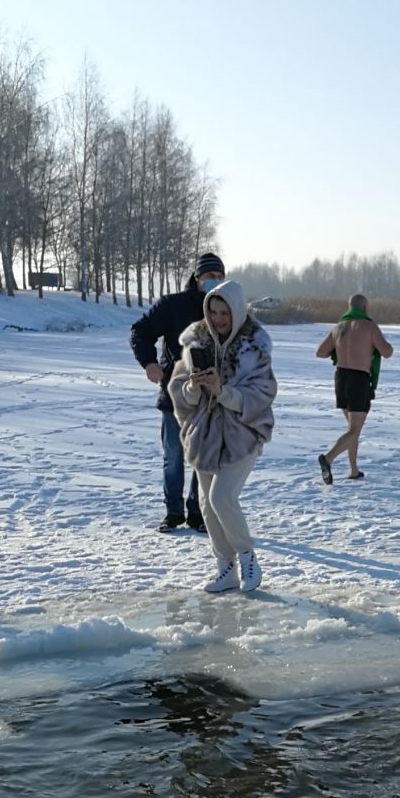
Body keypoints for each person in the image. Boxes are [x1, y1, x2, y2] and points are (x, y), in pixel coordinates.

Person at [168, 280, 276, 593]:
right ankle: (225, 568)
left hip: (243, 433)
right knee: (205, 502)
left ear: (238, 310)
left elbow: (263, 393)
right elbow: (178, 390)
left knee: (222, 497)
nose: (217, 319)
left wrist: (223, 392)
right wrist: (193, 387)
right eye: (213, 312)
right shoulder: (196, 340)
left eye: (224, 313)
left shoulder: (254, 345)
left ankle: (247, 556)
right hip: (204, 434)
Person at [129, 252, 227, 533]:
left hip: (209, 399)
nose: (215, 281)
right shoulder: (173, 305)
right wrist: (149, 363)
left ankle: (197, 512)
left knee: (202, 458)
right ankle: (173, 512)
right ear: (197, 277)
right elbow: (140, 331)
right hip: (175, 396)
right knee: (173, 456)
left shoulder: (225, 310)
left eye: (220, 277)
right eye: (210, 276)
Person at [314, 293, 394, 482]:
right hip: (359, 379)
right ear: (365, 308)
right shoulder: (369, 326)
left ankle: (353, 470)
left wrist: (339, 349)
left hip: (341, 378)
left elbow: (320, 352)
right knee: (354, 430)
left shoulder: (338, 327)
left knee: (352, 429)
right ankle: (328, 458)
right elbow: (387, 352)